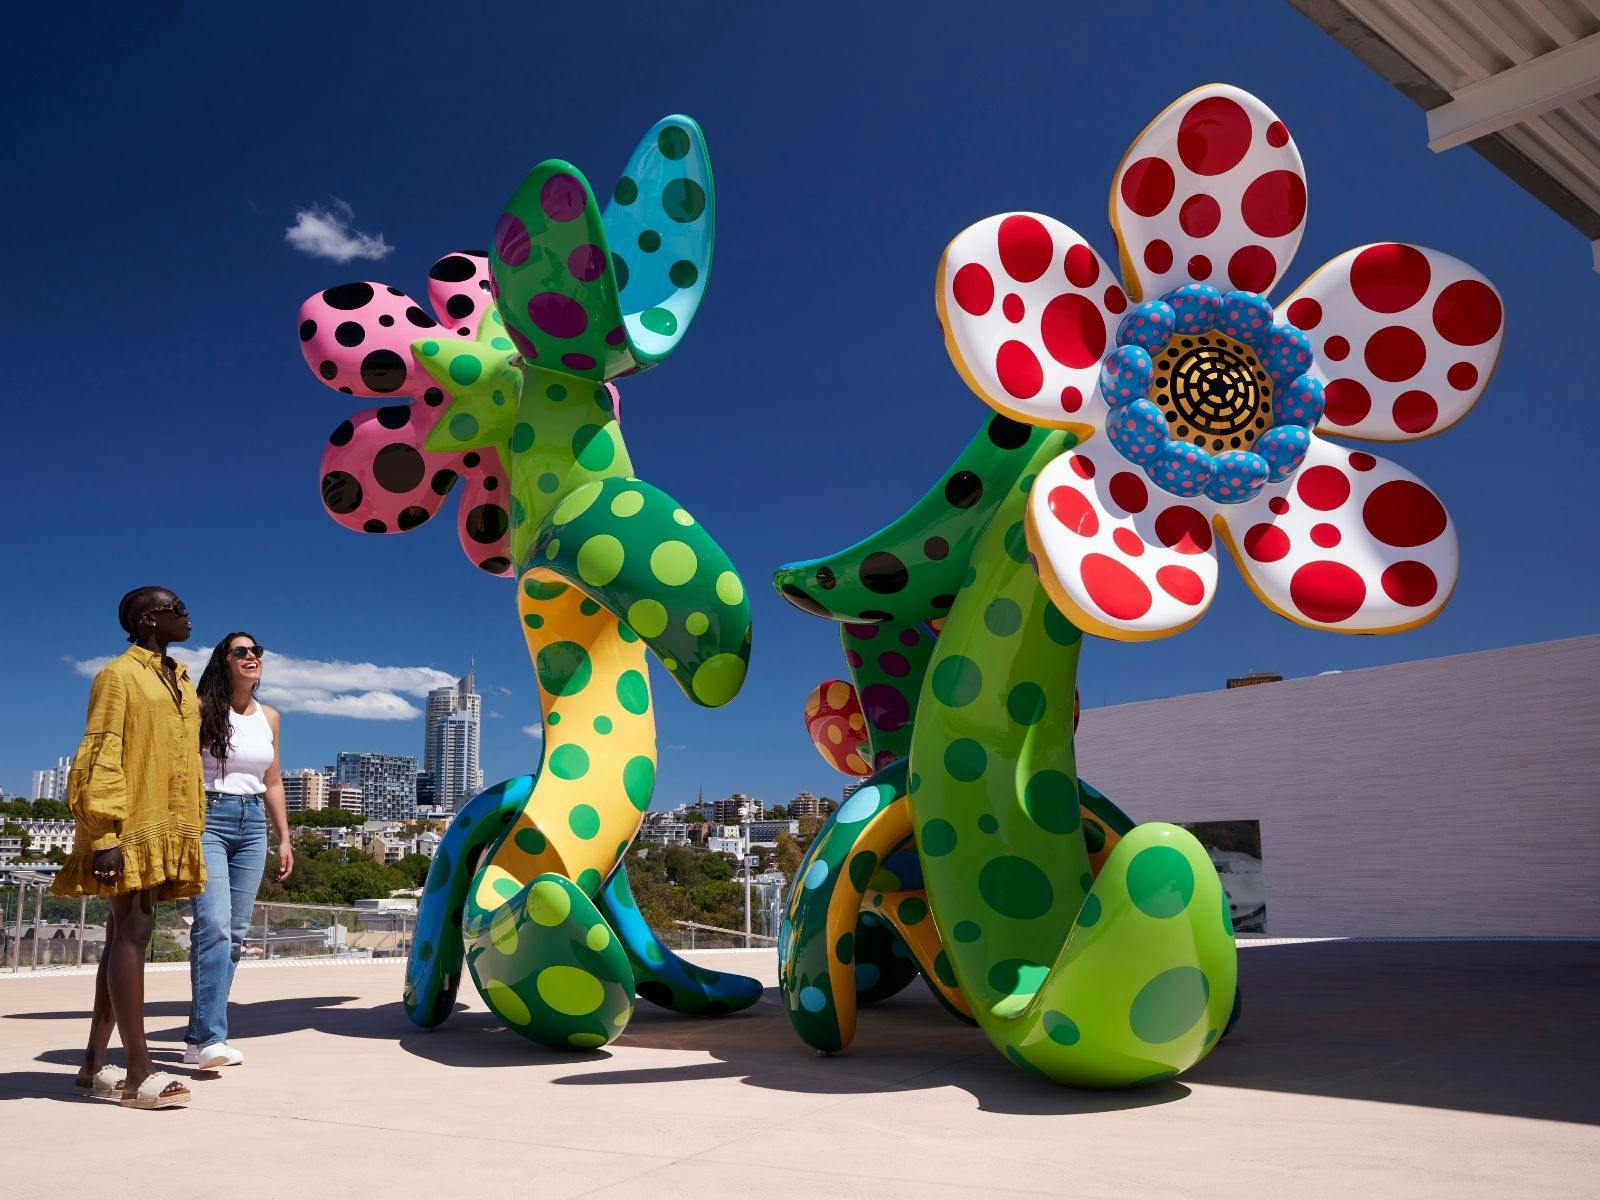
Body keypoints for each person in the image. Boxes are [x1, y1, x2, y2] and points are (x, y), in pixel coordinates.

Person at [53, 587, 204, 1110]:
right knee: (134, 932)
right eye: (176, 609)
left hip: (168, 823)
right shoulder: (118, 675)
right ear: (148, 620)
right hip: (128, 825)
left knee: (124, 933)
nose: (187, 616)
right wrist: (105, 835)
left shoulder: (181, 680)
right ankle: (140, 1073)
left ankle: (93, 1064)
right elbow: (101, 750)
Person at [185, 632, 292, 1068]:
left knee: (236, 934)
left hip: (253, 827)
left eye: (256, 652)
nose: (252, 657)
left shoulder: (270, 716)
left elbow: (273, 781)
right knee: (213, 926)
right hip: (208, 817)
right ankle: (212, 1037)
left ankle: (197, 1039)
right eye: (241, 652)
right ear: (223, 661)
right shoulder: (200, 708)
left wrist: (284, 837)